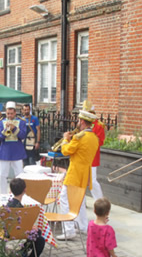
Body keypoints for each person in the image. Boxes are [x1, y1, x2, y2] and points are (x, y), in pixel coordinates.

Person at [57, 110, 99, 240]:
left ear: (81, 121)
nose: (77, 123)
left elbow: (65, 151)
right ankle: (82, 226)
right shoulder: (94, 138)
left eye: (78, 121)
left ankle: (68, 229)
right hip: (85, 173)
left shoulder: (79, 137)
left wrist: (65, 139)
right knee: (79, 200)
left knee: (64, 199)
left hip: (74, 173)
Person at [6, 178, 45, 257]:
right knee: (40, 239)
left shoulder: (8, 205)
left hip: (7, 232)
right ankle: (24, 252)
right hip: (19, 233)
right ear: (25, 190)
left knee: (37, 232)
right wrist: (31, 227)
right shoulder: (22, 209)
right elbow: (23, 226)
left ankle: (23, 251)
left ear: (11, 190)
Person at [0, 101, 27, 194]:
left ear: (15, 112)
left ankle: (19, 194)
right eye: (8, 113)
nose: (9, 115)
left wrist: (14, 128)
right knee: (2, 175)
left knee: (20, 175)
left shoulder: (21, 122)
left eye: (11, 113)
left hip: (17, 151)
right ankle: (3, 194)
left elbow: (22, 136)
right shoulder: (0, 123)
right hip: (5, 152)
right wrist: (6, 130)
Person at [87, 102, 105, 201]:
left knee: (92, 181)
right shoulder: (83, 124)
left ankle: (100, 202)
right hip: (83, 156)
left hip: (92, 156)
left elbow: (100, 141)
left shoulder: (98, 125)